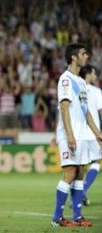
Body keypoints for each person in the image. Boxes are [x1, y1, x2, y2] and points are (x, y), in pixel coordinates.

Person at [51, 43, 102, 227]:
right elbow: (64, 108)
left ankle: (78, 216)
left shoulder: (80, 81)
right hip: (69, 134)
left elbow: (86, 111)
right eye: (83, 53)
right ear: (74, 57)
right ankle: (57, 218)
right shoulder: (65, 80)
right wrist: (70, 135)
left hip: (81, 134)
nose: (86, 56)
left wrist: (97, 133)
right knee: (70, 172)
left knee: (80, 173)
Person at [79, 65, 102, 206]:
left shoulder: (75, 89)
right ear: (87, 74)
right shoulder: (96, 91)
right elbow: (101, 112)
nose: (95, 76)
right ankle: (82, 191)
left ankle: (79, 193)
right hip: (93, 133)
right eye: (94, 73)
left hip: (79, 132)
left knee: (80, 166)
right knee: (96, 162)